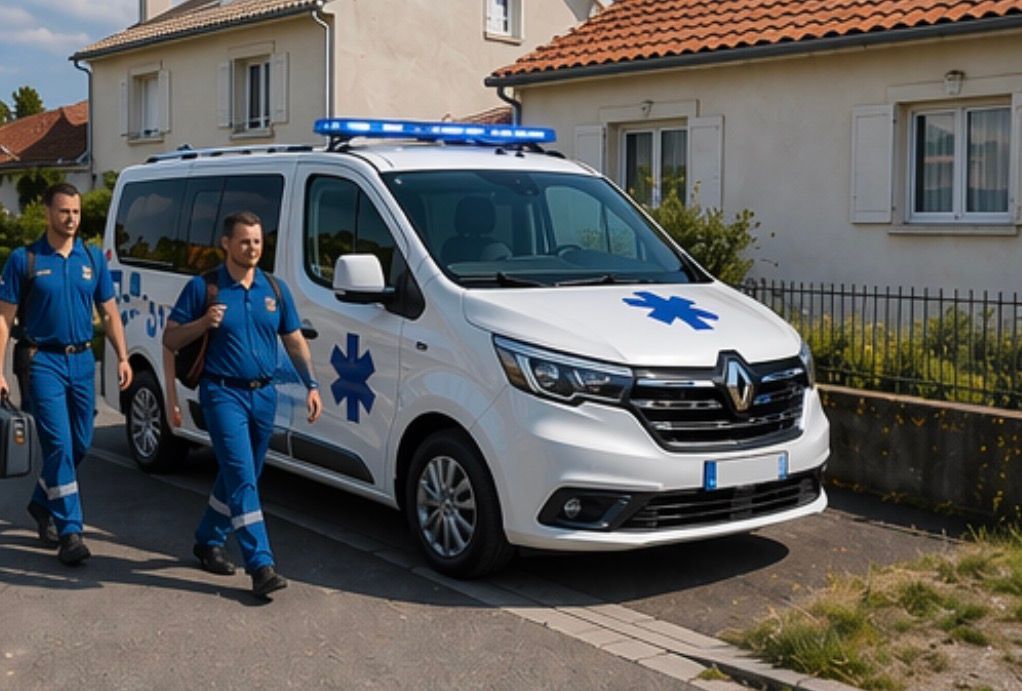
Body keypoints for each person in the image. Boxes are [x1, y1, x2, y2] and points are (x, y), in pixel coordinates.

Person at [163, 211, 322, 599]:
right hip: (223, 394)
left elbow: (294, 340)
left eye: (257, 241)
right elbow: (171, 339)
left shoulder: (274, 288)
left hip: (264, 394)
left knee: (242, 473)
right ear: (226, 244)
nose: (252, 248)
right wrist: (203, 323)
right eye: (244, 241)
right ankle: (261, 564)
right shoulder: (205, 288)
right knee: (241, 473)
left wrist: (312, 385)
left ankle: (208, 539)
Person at [0, 182, 133, 565]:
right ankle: (70, 531)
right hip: (42, 361)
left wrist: (123, 357)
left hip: (82, 361)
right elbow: (4, 320)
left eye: (75, 211)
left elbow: (109, 313)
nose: (71, 218)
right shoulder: (24, 260)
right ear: (48, 213)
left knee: (81, 443)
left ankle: (42, 502)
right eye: (64, 211)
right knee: (58, 445)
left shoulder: (92, 258)